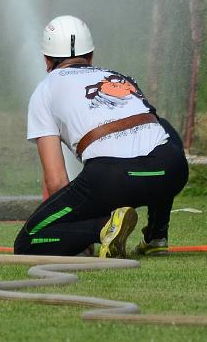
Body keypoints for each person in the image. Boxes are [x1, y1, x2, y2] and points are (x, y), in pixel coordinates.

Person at [13, 15, 189, 258]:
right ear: (91, 55)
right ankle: (157, 235)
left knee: (28, 240)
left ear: (46, 60)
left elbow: (56, 180)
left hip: (112, 180)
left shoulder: (44, 90)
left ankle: (104, 228)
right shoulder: (119, 77)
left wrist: (77, 235)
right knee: (162, 126)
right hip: (170, 170)